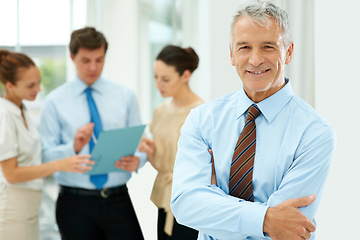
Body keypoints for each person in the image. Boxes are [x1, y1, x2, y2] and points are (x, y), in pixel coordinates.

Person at [170, 1, 336, 240]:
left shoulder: (315, 133)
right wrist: (265, 219)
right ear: (231, 54)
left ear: (288, 52)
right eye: (244, 47)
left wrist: (214, 201)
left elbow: (287, 229)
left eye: (268, 46)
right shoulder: (202, 120)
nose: (255, 59)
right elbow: (186, 205)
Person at [39, 27, 146, 240]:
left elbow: (140, 144)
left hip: (118, 199)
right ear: (72, 57)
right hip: (74, 203)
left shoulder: (125, 96)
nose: (93, 67)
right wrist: (74, 147)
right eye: (86, 60)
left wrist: (139, 161)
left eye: (99, 60)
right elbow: (45, 157)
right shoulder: (54, 101)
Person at [0, 49, 94, 240]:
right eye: (31, 85)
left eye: (39, 82)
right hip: (12, 208)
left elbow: (34, 157)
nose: (38, 89)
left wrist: (73, 146)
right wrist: (60, 165)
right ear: (9, 85)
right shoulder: (4, 115)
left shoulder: (23, 109)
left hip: (31, 207)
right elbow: (12, 174)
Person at [139, 45, 204, 240]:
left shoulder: (202, 112)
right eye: (156, 77)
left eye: (165, 79)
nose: (159, 84)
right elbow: (163, 162)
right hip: (163, 199)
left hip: (190, 200)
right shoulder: (160, 111)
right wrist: (150, 153)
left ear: (185, 76)